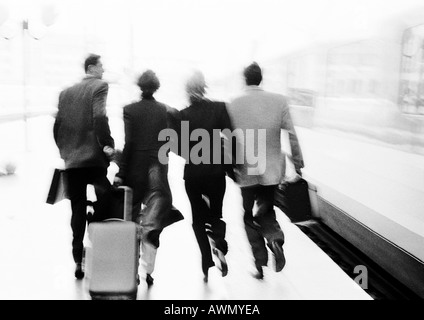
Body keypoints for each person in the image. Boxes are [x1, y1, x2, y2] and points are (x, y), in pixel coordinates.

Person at [227, 62, 304, 279]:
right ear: (261, 79)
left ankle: (259, 264)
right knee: (267, 210)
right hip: (271, 170)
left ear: (245, 80)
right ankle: (274, 239)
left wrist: (230, 166)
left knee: (248, 216)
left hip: (247, 169)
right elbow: (292, 135)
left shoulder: (234, 103)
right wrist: (297, 164)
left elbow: (228, 138)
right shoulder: (279, 101)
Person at [53, 54, 115, 280]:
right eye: (101, 66)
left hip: (73, 162)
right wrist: (108, 144)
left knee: (76, 208)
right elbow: (100, 117)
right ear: (92, 68)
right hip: (93, 160)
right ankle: (96, 227)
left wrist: (64, 151)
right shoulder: (99, 87)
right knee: (107, 195)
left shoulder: (65, 93)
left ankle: (78, 260)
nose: (104, 70)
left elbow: (57, 125)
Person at [113, 70, 178, 287]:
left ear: (140, 86)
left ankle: (132, 272)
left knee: (131, 222)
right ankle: (149, 271)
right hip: (157, 172)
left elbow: (129, 144)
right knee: (153, 224)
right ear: (156, 87)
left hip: (135, 172)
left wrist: (121, 173)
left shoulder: (129, 110)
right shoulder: (164, 111)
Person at [177, 70, 234, 282]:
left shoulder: (183, 114)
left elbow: (182, 148)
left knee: (198, 219)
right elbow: (230, 139)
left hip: (193, 174)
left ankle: (206, 260)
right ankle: (218, 241)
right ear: (204, 87)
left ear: (187, 91)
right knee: (216, 214)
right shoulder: (220, 108)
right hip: (215, 173)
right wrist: (230, 166)